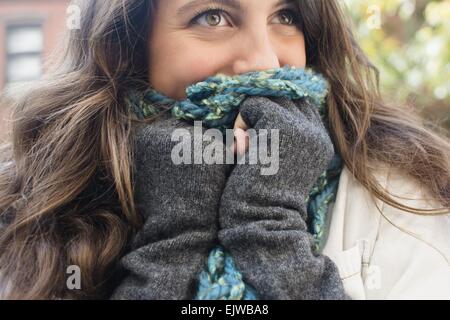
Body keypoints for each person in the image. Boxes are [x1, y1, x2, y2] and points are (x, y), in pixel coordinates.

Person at [0, 0, 448, 300]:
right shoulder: (33, 206)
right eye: (213, 16)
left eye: (286, 14)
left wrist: (268, 226)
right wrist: (179, 235)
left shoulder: (402, 196)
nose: (265, 61)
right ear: (129, 46)